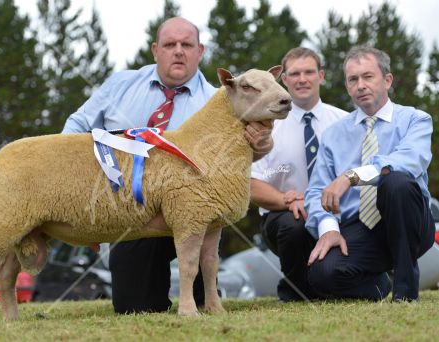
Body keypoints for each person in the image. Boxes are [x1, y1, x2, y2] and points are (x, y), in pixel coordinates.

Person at [62, 17, 273, 313]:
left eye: (186, 45)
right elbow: (77, 125)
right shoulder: (119, 85)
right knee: (134, 306)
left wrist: (262, 146)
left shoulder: (221, 100)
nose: (178, 51)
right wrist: (79, 195)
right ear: (155, 50)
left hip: (193, 213)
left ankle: (202, 294)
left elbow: (239, 156)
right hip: (131, 214)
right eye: (169, 44)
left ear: (200, 51)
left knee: (202, 293)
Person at [305, 46, 435, 302]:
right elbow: (317, 189)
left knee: (396, 181)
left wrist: (350, 177)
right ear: (347, 86)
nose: (360, 85)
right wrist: (329, 229)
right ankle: (378, 284)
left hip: (410, 220)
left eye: (368, 76)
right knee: (322, 273)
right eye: (353, 79)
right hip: (360, 225)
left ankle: (405, 292)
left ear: (387, 80)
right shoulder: (333, 135)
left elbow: (408, 161)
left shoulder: (416, 120)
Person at [250, 47, 348, 302]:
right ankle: (296, 291)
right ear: (284, 80)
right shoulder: (266, 126)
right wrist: (286, 200)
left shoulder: (345, 122)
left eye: (309, 72)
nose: (302, 79)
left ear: (322, 76)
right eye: (294, 73)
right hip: (286, 219)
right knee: (295, 223)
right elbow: (251, 183)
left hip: (339, 216)